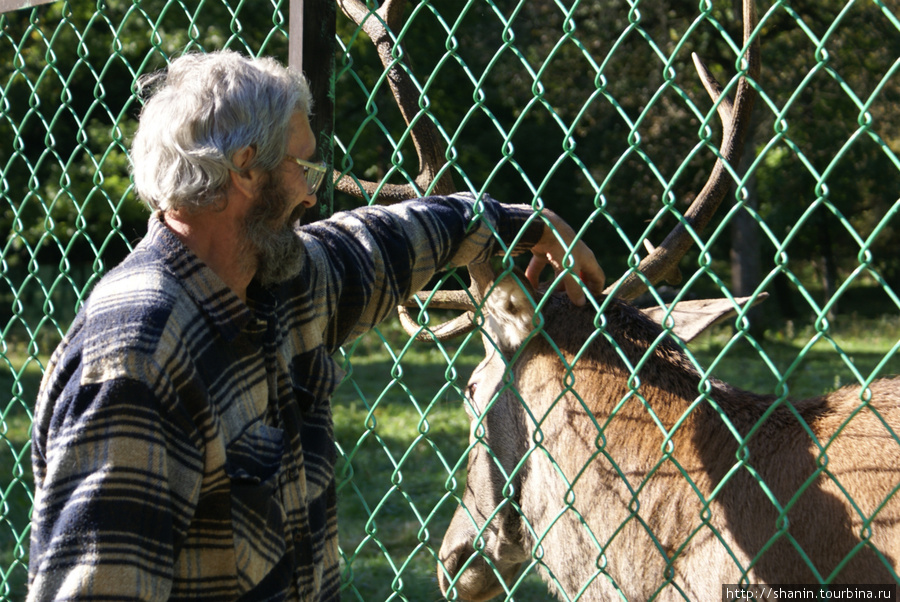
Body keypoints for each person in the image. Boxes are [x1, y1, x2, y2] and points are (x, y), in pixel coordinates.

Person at [28, 50, 604, 601]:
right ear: (246, 169)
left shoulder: (275, 281)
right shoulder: (140, 358)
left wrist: (520, 222)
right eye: (303, 165)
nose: (311, 191)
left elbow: (386, 241)